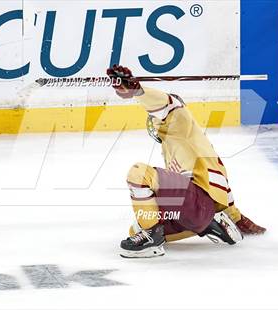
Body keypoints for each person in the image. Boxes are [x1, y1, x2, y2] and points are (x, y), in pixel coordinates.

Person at [107, 65, 266, 258]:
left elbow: (168, 105)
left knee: (139, 173)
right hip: (195, 216)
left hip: (199, 204)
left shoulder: (181, 123)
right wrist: (236, 218)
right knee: (138, 227)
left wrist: (137, 90)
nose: (154, 120)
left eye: (155, 116)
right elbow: (222, 184)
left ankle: (152, 240)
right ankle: (212, 225)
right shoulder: (184, 145)